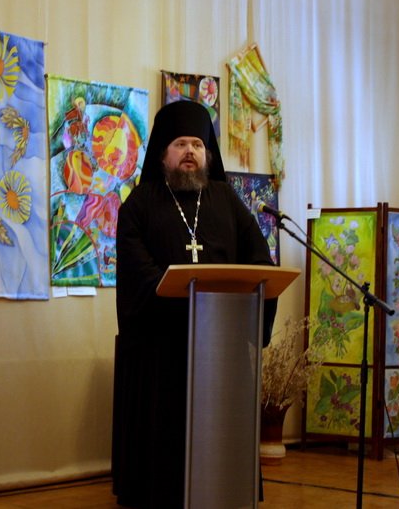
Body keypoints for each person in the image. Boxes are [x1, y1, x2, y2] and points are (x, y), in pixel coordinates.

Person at [111, 100, 277, 508]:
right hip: (161, 346)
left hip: (220, 343)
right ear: (162, 154)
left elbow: (258, 257)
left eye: (198, 145)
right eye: (181, 144)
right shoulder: (140, 204)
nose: (190, 152)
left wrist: (248, 294)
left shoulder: (225, 198)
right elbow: (138, 272)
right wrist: (186, 302)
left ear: (208, 153)